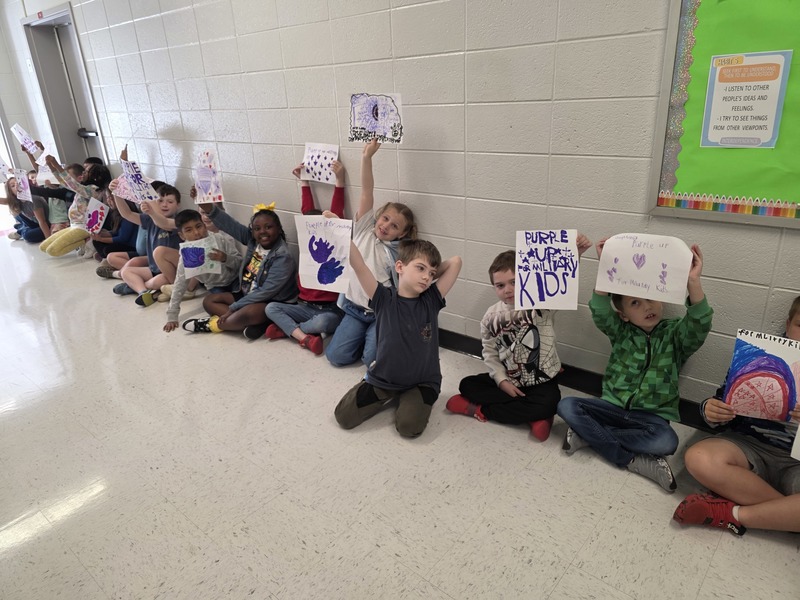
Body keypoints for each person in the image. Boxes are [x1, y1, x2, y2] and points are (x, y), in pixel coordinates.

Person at [557, 238, 713, 491]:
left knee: (666, 442)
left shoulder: (675, 335)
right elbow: (600, 309)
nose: (647, 306)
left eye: (651, 298)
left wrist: (693, 282)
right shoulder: (620, 332)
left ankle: (590, 435)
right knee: (566, 405)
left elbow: (699, 323)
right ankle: (629, 459)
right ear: (623, 315)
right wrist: (608, 267)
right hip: (611, 407)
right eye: (635, 303)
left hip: (651, 418)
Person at [673, 295, 800, 535]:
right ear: (788, 324)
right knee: (699, 457)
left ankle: (736, 514)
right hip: (748, 446)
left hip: (796, 462)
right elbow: (722, 401)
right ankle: (787, 515)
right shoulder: (759, 355)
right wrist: (710, 410)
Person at [446, 237, 592, 442]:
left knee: (551, 403)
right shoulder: (490, 316)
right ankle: (534, 416)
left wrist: (575, 254)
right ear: (494, 287)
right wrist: (502, 381)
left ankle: (481, 409)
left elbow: (561, 279)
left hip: (541, 381)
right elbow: (489, 352)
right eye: (500, 285)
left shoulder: (542, 304)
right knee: (467, 384)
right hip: (509, 377)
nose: (507, 289)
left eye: (514, 282)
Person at [334, 238, 462, 438]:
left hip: (422, 381)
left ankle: (410, 396)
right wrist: (340, 232)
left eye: (431, 273)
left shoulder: (431, 300)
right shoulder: (383, 298)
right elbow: (359, 265)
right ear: (400, 267)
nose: (426, 277)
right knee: (344, 416)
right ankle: (382, 390)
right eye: (420, 268)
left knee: (408, 427)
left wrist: (429, 272)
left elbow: (456, 262)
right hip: (384, 378)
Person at [325, 140, 417, 367]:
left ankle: (377, 339)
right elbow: (367, 192)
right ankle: (363, 338)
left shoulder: (397, 252)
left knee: (372, 361)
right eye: (385, 218)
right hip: (354, 309)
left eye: (394, 226)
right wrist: (366, 158)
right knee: (336, 357)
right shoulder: (364, 228)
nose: (386, 226)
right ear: (378, 216)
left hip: (381, 314)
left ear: (402, 234)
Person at [264, 161, 346, 355]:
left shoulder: (333, 245)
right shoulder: (307, 244)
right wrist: (304, 181)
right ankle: (304, 337)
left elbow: (335, 213)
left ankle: (291, 331)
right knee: (271, 308)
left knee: (324, 322)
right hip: (303, 306)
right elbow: (306, 212)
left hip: (329, 310)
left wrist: (340, 181)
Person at [184, 202, 298, 339]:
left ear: (279, 229)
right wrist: (206, 205)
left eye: (268, 227)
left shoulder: (283, 257)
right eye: (257, 228)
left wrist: (233, 308)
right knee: (209, 301)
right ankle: (254, 324)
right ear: (252, 231)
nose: (262, 231)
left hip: (270, 301)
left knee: (249, 313)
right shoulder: (253, 239)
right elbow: (229, 224)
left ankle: (212, 325)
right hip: (246, 294)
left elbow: (265, 292)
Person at [162, 209, 241, 332]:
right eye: (189, 230)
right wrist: (172, 315)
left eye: (199, 226)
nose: (196, 233)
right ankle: (239, 319)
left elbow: (240, 263)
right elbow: (180, 283)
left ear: (204, 225)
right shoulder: (187, 254)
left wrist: (225, 258)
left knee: (247, 297)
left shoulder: (220, 239)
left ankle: (238, 318)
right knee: (210, 303)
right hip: (216, 287)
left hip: (236, 281)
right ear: (182, 235)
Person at [108, 180, 181, 306]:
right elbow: (127, 214)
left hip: (169, 272)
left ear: (178, 205)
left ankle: (134, 287)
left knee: (157, 281)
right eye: (160, 201)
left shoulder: (177, 222)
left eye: (170, 202)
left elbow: (163, 223)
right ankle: (143, 292)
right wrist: (117, 193)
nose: (164, 205)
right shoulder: (149, 220)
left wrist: (152, 212)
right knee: (126, 272)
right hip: (153, 268)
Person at [38, 158, 112, 256]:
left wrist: (56, 165)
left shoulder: (94, 190)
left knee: (52, 250)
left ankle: (87, 241)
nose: (83, 173)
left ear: (96, 177)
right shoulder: (85, 188)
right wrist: (51, 166)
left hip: (83, 227)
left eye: (86, 172)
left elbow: (71, 183)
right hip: (74, 224)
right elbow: (64, 182)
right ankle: (84, 241)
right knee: (43, 247)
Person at [2, 176, 50, 243]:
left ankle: (21, 231)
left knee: (27, 236)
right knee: (17, 217)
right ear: (11, 192)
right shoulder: (17, 200)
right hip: (34, 223)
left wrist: (49, 240)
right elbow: (4, 201)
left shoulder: (33, 199)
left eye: (19, 183)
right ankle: (23, 227)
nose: (17, 186)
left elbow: (43, 222)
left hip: (46, 225)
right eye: (13, 186)